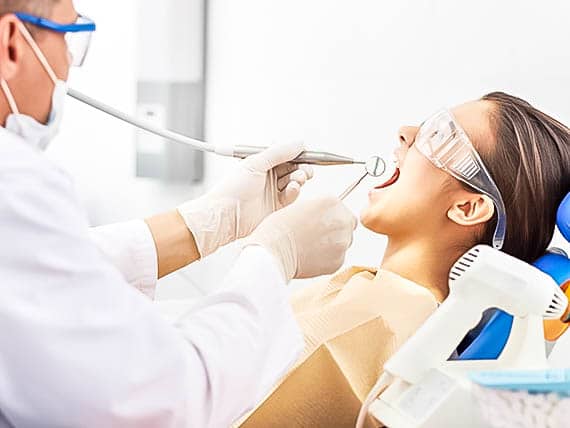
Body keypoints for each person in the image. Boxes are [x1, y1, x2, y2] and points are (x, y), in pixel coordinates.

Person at [0, 1, 357, 427]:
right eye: (70, 36)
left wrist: (208, 222)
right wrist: (275, 256)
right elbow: (159, 400)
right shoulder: (15, 183)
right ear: (12, 46)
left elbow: (37, 276)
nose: (68, 66)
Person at [238, 92, 570, 427]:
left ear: (467, 208)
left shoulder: (384, 315)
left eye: (440, 134)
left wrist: (262, 255)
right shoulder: (384, 298)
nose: (405, 132)